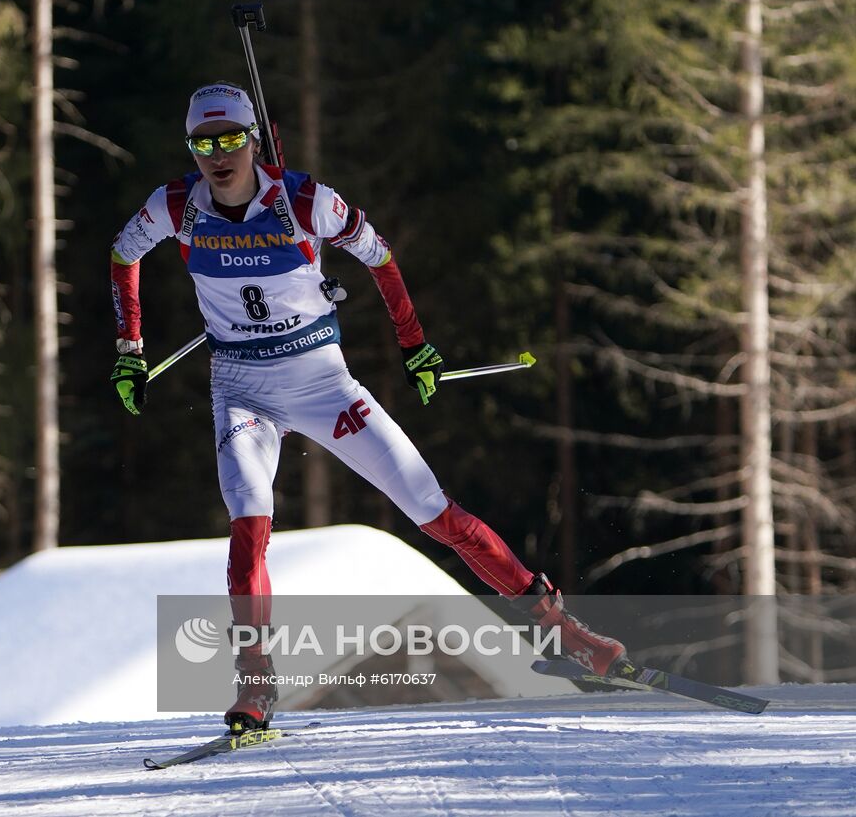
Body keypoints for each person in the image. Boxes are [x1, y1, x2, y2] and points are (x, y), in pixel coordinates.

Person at [109, 82, 627, 734]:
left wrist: (415, 345)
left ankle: (562, 630)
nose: (218, 155)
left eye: (231, 139)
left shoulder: (304, 201)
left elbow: (379, 256)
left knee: (435, 512)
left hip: (323, 384)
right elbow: (123, 251)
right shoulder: (177, 206)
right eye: (203, 143)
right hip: (241, 387)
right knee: (248, 524)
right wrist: (130, 347)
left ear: (253, 139)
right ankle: (256, 684)